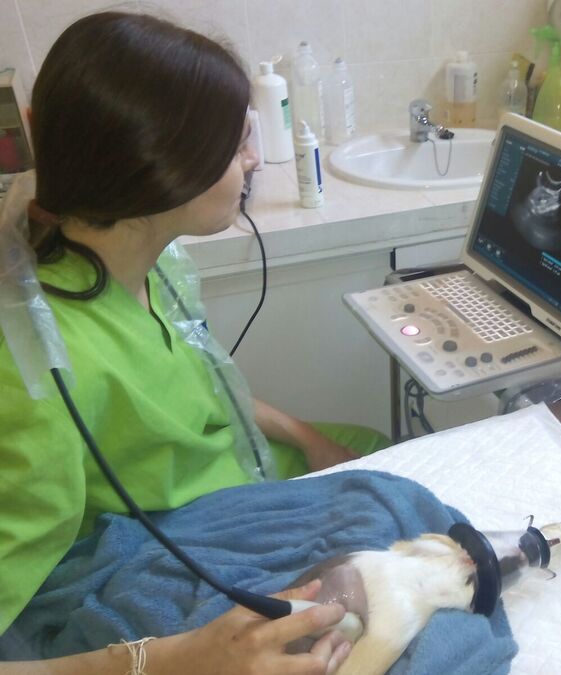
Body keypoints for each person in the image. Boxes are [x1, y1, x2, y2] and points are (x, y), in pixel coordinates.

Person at [0, 11, 389, 674]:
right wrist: (169, 659)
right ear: (165, 169)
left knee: (376, 446)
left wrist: (302, 434)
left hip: (230, 481)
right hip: (178, 542)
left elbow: (198, 385)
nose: (253, 161)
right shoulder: (40, 374)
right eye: (236, 147)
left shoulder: (148, 263)